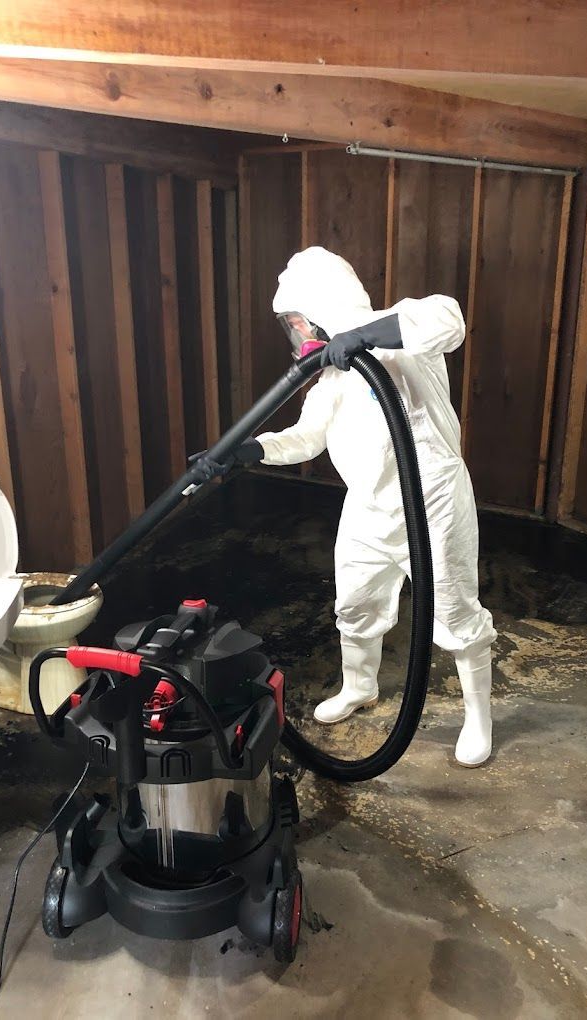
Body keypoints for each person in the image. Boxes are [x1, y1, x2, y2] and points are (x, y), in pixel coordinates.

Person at [195, 246, 496, 767]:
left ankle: (478, 717)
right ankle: (360, 686)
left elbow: (448, 320)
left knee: (453, 612)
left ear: (321, 308)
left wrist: (365, 335)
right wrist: (248, 451)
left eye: (295, 321)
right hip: (368, 505)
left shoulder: (401, 335)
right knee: (355, 605)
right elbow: (306, 438)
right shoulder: (335, 375)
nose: (296, 333)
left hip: (433, 503)